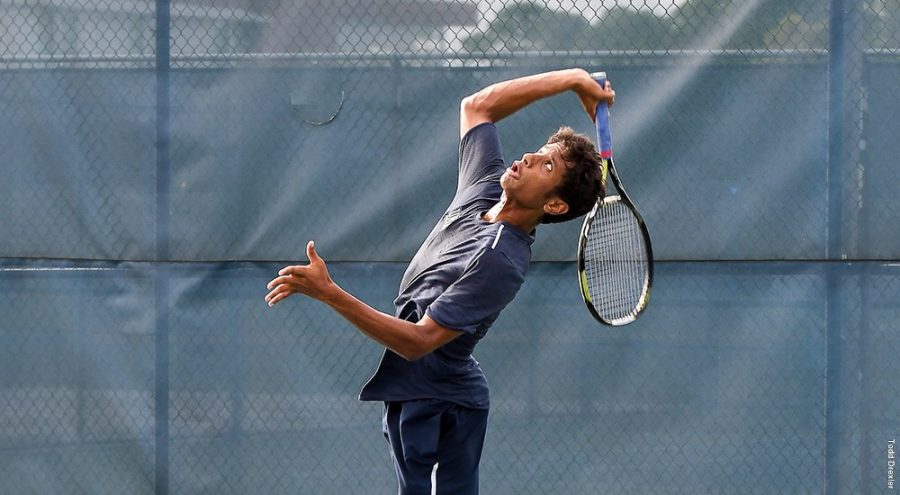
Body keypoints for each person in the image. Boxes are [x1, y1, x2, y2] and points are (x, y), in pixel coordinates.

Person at [264, 68, 614, 495]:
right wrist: (572, 80)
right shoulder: (485, 188)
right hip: (420, 393)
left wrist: (329, 293)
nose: (526, 158)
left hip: (439, 405)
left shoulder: (500, 260)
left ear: (555, 204)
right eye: (540, 150)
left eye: (547, 164)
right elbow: (477, 106)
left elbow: (417, 341)